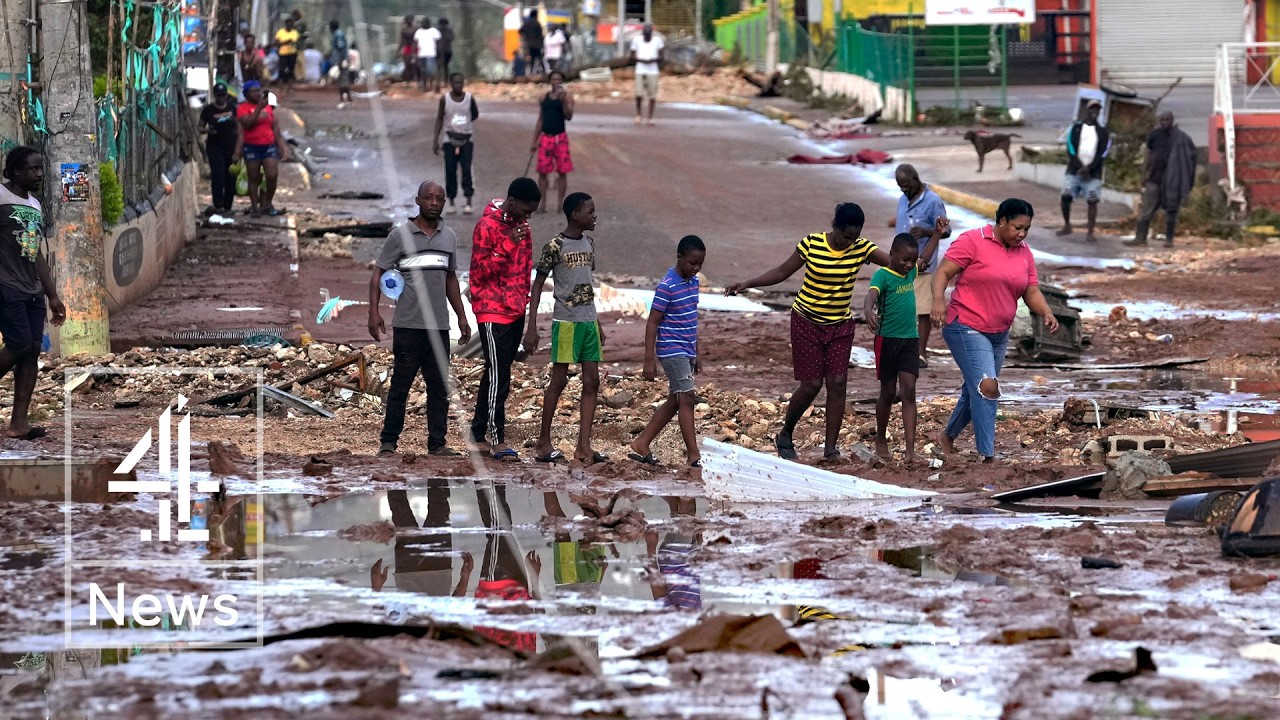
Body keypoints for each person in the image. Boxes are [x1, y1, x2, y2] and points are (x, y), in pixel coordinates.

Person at [726, 203, 890, 461]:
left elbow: (895, 262)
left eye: (854, 237)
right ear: (834, 227)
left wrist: (916, 259)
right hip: (806, 322)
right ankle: (786, 433)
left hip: (840, 325)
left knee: (837, 383)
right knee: (812, 384)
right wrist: (748, 283)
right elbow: (782, 271)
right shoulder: (811, 244)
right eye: (846, 236)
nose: (849, 242)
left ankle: (830, 449)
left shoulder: (862, 247)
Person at [931, 199, 1060, 462]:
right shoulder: (972, 241)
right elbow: (942, 273)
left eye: (1026, 229)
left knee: (975, 389)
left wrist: (1046, 312)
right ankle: (987, 455)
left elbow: (1030, 290)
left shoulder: (1024, 252)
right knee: (987, 386)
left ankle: (947, 437)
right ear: (1002, 221)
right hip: (965, 324)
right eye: (1017, 227)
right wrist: (937, 301)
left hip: (999, 332)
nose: (1022, 234)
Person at [370, 180, 472, 457]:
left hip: (439, 325)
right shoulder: (399, 236)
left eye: (439, 198)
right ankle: (388, 442)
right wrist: (374, 311)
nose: (434, 203)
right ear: (418, 201)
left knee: (439, 387)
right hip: (408, 325)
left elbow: (451, 278)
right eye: (429, 198)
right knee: (401, 386)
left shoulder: (448, 237)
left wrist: (462, 316)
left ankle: (437, 444)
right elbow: (378, 273)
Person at [526, 192, 606, 465]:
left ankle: (584, 446)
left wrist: (598, 323)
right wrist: (531, 326)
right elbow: (537, 287)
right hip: (567, 322)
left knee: (592, 382)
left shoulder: (589, 243)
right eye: (590, 211)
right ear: (575, 214)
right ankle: (543, 442)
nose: (594, 216)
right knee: (559, 380)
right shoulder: (555, 246)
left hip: (588, 321)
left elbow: (586, 285)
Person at [468, 177, 542, 462]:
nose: (528, 217)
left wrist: (524, 308)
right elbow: (480, 273)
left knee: (496, 373)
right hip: (490, 310)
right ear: (511, 202)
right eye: (525, 210)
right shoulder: (486, 227)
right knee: (500, 375)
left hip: (514, 311)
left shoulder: (523, 227)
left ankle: (477, 435)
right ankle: (497, 439)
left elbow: (525, 270)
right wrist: (507, 245)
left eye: (531, 212)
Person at [0, 147, 67, 440]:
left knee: (31, 352)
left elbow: (35, 252)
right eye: (32, 169)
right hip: (6, 285)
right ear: (15, 171)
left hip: (32, 289)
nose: (39, 174)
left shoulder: (36, 205)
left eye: (41, 169)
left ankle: (19, 424)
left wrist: (52, 296)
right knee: (18, 344)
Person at [629, 235, 706, 468]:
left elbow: (691, 319)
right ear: (679, 257)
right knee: (687, 398)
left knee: (675, 399)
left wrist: (697, 351)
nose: (696, 268)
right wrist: (648, 360)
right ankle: (694, 455)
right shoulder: (667, 286)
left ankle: (642, 443)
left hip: (686, 348)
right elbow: (652, 322)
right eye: (692, 263)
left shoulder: (694, 282)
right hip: (671, 350)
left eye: (700, 264)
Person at [863, 233, 921, 463]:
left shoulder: (912, 272)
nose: (908, 265)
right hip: (886, 341)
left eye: (912, 261)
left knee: (909, 390)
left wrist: (937, 234)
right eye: (905, 260)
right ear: (892, 255)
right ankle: (881, 438)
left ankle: (910, 450)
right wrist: (868, 311)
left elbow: (924, 258)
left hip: (910, 340)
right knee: (887, 392)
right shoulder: (883, 275)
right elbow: (871, 294)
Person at [893, 164, 950, 367]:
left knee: (923, 310)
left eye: (907, 185)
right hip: (901, 265)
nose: (904, 189)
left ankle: (921, 353)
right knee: (903, 308)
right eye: (900, 186)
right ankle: (904, 350)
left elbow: (947, 230)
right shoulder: (902, 200)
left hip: (924, 264)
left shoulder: (933, 201)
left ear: (916, 180)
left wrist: (927, 232)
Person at [1126, 111, 1196, 249]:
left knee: (1171, 210)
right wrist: (1144, 174)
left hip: (1172, 181)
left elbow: (1190, 160)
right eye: (1162, 119)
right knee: (1146, 209)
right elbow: (1148, 154)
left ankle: (1169, 239)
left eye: (1167, 119)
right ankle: (1140, 238)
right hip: (1155, 178)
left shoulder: (1181, 138)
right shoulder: (1155, 135)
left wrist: (1186, 180)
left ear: (1172, 120)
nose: (1165, 122)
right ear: (1159, 120)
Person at [1058, 99, 1111, 243]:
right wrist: (1080, 166)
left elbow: (1104, 153)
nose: (1095, 111)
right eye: (1092, 109)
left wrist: (1089, 168)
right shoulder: (1076, 127)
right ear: (1087, 110)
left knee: (1092, 200)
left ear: (1100, 112)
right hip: (1074, 171)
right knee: (1066, 197)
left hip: (1093, 173)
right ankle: (1067, 225)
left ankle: (1090, 232)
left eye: (1097, 109)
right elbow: (1070, 147)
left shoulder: (1103, 131)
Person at [236, 80, 290, 217]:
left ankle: (268, 203)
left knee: (272, 176)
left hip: (269, 146)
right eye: (253, 91)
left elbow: (276, 130)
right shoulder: (242, 108)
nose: (257, 93)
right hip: (252, 146)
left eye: (258, 90)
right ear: (246, 94)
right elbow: (247, 124)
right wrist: (258, 109)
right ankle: (255, 207)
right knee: (254, 177)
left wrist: (283, 149)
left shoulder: (268, 108)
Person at [433, 73, 479, 216]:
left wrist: (464, 124)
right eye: (455, 83)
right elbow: (439, 118)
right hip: (449, 139)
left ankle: (468, 202)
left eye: (461, 83)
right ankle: (451, 202)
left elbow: (475, 114)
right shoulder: (444, 99)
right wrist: (436, 140)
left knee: (467, 170)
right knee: (450, 170)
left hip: (466, 139)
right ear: (450, 84)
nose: (458, 85)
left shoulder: (469, 98)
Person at [531, 70, 574, 214]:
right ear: (550, 81)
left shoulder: (567, 97)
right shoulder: (544, 98)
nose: (556, 82)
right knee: (542, 172)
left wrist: (563, 102)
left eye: (559, 79)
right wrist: (534, 140)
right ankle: (542, 204)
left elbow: (569, 116)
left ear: (562, 81)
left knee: (562, 171)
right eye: (554, 79)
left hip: (560, 138)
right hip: (546, 138)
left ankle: (560, 204)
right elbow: (540, 119)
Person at [198, 83, 242, 215]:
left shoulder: (231, 107)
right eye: (219, 95)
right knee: (218, 174)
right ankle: (218, 204)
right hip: (215, 147)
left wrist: (238, 149)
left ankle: (228, 205)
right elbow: (200, 127)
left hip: (231, 145)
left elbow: (238, 126)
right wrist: (207, 130)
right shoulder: (208, 110)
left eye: (223, 95)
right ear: (215, 95)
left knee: (230, 176)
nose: (221, 98)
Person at [629, 23, 664, 125]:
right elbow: (631, 56)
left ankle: (650, 117)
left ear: (651, 33)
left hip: (653, 70)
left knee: (652, 95)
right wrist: (640, 60)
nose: (647, 36)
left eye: (648, 34)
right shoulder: (636, 40)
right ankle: (638, 115)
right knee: (639, 94)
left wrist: (653, 60)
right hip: (640, 69)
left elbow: (662, 56)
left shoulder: (658, 40)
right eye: (645, 34)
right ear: (642, 33)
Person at [414, 18, 441, 93]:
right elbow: (415, 43)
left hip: (431, 53)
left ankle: (432, 85)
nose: (423, 24)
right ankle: (424, 86)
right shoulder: (418, 32)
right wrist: (414, 54)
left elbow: (438, 42)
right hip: (421, 54)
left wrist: (439, 53)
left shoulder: (434, 31)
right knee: (423, 71)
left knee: (431, 71)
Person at [273, 17, 299, 88]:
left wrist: (282, 43)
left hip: (292, 53)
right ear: (286, 24)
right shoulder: (280, 32)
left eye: (291, 24)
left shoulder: (294, 32)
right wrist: (286, 42)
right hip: (282, 53)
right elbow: (276, 42)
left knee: (291, 69)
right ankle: (281, 84)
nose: (290, 25)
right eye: (288, 24)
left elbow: (293, 41)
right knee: (281, 69)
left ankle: (290, 85)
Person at [329, 20, 351, 105]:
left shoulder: (338, 34)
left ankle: (343, 99)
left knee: (342, 79)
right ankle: (348, 98)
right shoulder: (338, 34)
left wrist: (340, 61)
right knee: (343, 79)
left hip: (341, 60)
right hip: (341, 59)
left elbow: (340, 47)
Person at [520, 11, 544, 76]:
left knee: (531, 60)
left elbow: (520, 31)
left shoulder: (527, 24)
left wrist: (526, 37)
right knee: (540, 58)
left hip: (529, 45)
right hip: (537, 45)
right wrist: (542, 45)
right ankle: (544, 72)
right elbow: (541, 35)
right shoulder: (537, 24)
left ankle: (530, 73)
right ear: (536, 15)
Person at [400, 15, 418, 84]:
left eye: (411, 19)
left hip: (415, 47)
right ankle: (408, 79)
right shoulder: (403, 30)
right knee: (407, 64)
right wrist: (399, 50)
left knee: (415, 64)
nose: (409, 21)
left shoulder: (416, 29)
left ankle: (415, 78)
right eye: (408, 20)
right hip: (407, 47)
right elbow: (402, 40)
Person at [436, 18, 454, 83]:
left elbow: (451, 38)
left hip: (447, 50)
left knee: (445, 66)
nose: (443, 26)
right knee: (439, 66)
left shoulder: (449, 30)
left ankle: (446, 80)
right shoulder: (437, 30)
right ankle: (440, 81)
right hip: (439, 51)